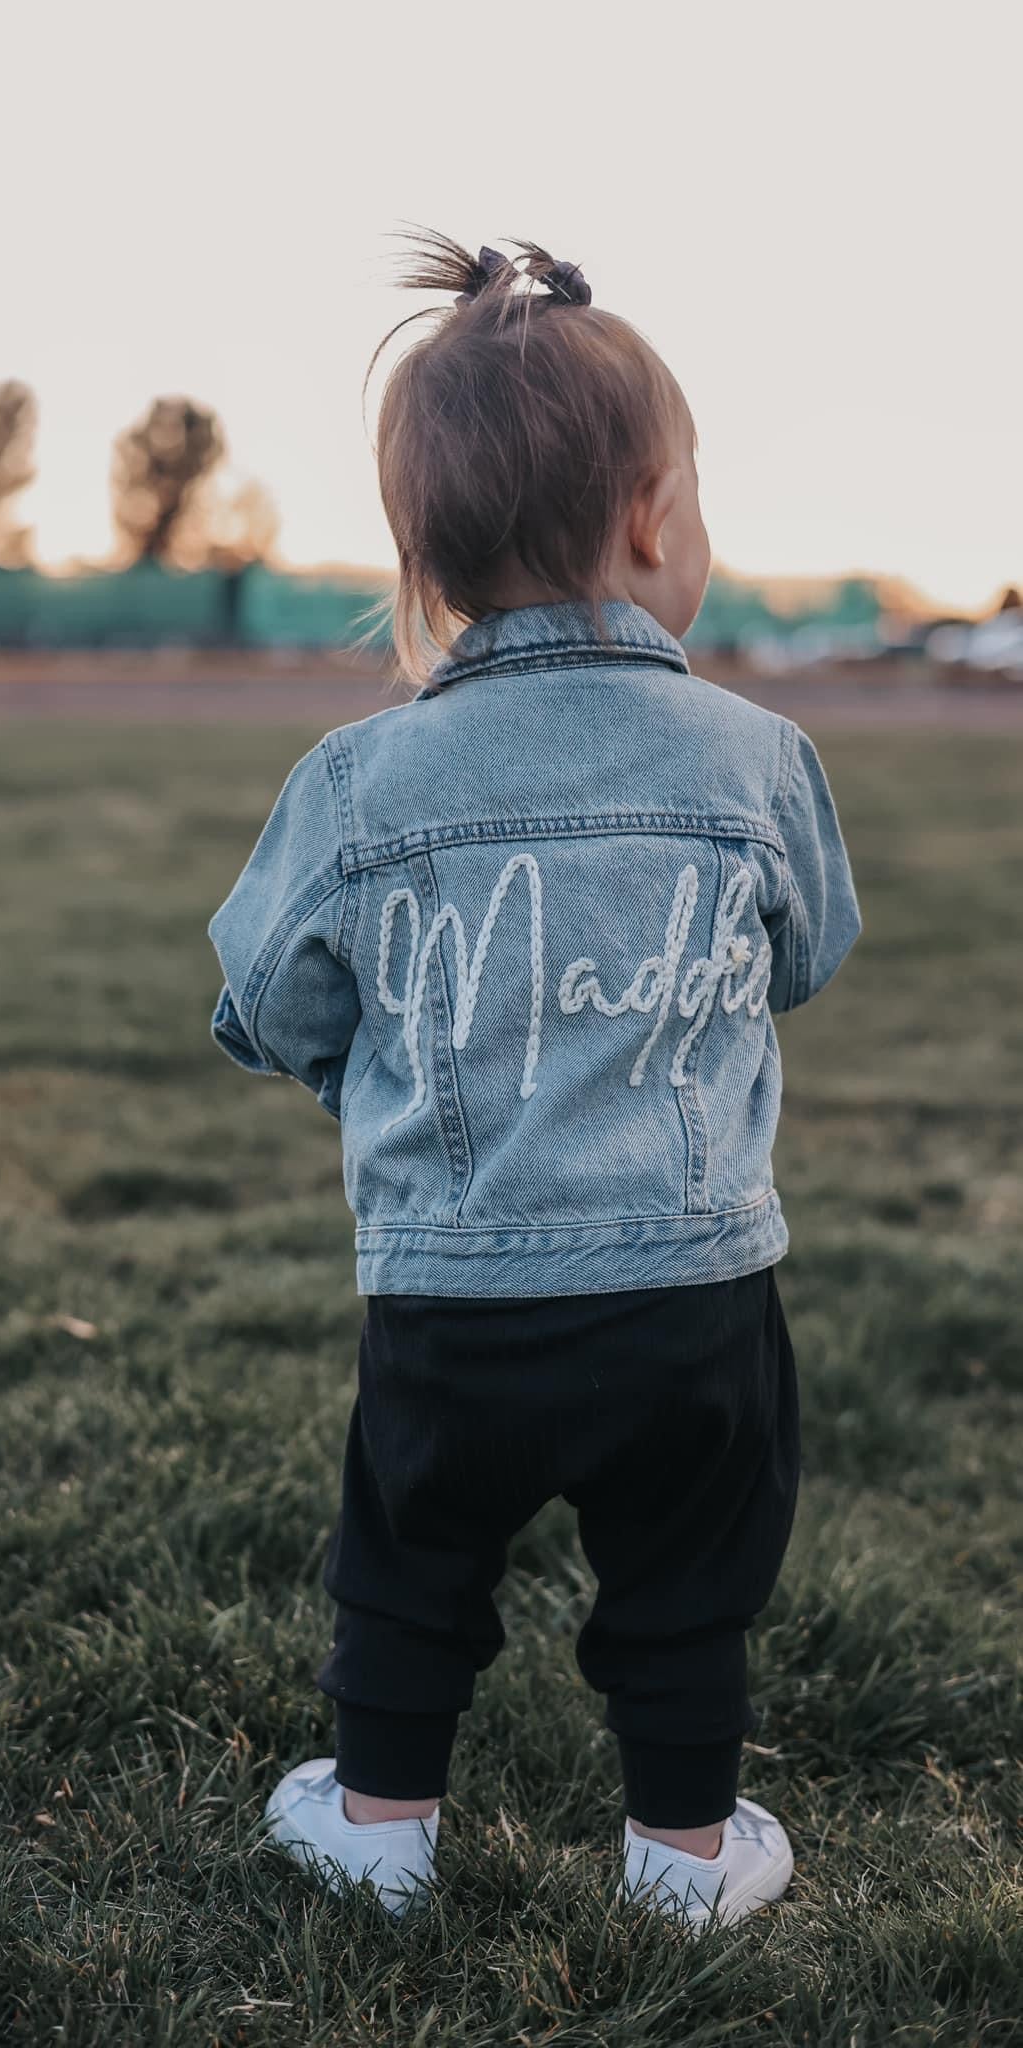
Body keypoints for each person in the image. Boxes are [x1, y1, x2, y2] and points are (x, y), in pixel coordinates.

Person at [208, 232, 860, 1928]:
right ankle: (686, 1860)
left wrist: (398, 1065)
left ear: (419, 546)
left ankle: (376, 1828)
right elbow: (804, 952)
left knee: (412, 1558)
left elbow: (267, 997)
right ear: (653, 516)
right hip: (695, 1289)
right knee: (687, 1576)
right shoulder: (756, 755)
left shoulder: (360, 778)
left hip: (451, 1287)